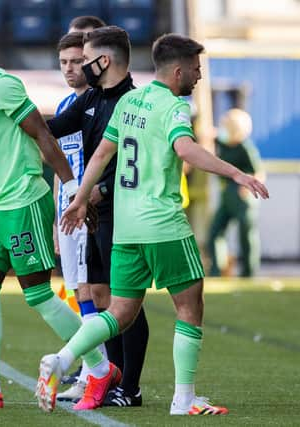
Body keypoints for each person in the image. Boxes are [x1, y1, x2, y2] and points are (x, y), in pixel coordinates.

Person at [36, 33, 269, 415]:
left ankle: (61, 360)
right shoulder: (174, 106)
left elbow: (99, 156)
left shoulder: (129, 101)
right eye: (196, 69)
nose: (198, 76)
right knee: (190, 307)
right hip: (163, 224)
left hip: (125, 230)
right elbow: (185, 148)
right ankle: (184, 399)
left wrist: (78, 199)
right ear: (178, 71)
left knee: (119, 312)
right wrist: (236, 173)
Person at [0, 16, 99, 409]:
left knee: (39, 295)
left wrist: (74, 185)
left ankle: (98, 367)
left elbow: (41, 133)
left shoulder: (3, 85)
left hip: (25, 199)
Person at [46, 26, 149, 409]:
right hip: (94, 214)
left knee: (126, 302)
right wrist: (14, 117)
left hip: (122, 215)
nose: (79, 67)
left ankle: (131, 387)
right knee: (102, 296)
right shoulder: (90, 100)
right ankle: (111, 376)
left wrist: (94, 194)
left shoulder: (133, 104)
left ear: (103, 61)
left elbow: (124, 164)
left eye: (85, 59)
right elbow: (53, 128)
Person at [51, 31, 110, 404]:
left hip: (91, 210)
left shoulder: (99, 106)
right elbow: (59, 165)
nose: (70, 69)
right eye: (63, 63)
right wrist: (57, 219)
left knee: (93, 291)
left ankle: (97, 374)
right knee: (77, 291)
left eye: (76, 61)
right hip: (67, 213)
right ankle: (93, 371)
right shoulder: (62, 107)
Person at [207, 108, 264, 277]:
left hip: (242, 198)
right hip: (226, 197)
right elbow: (208, 135)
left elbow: (259, 172)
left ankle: (249, 272)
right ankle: (216, 270)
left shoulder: (245, 148)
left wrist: (248, 187)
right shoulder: (222, 142)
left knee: (246, 236)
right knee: (215, 232)